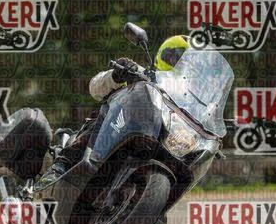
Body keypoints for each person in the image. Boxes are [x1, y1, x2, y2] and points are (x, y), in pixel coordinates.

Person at [38, 35, 190, 184]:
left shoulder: (185, 101)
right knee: (105, 116)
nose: (177, 64)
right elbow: (94, 88)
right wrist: (116, 76)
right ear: (161, 55)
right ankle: (61, 165)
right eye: (174, 57)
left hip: (156, 140)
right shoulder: (139, 73)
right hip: (116, 130)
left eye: (183, 62)